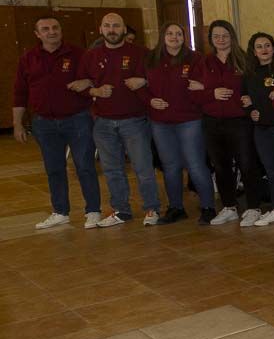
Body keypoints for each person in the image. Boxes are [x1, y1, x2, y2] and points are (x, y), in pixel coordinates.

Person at [13, 15, 102, 229]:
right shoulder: (28, 59)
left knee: (85, 166)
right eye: (45, 29)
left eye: (55, 27)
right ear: (37, 34)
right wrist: (17, 124)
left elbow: (98, 77)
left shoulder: (79, 54)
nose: (51, 31)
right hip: (44, 124)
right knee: (54, 168)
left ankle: (93, 211)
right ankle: (60, 212)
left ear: (61, 30)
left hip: (78, 120)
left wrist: (87, 81)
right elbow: (19, 93)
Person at [81, 13, 161, 227]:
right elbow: (81, 84)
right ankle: (121, 210)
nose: (112, 29)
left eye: (116, 25)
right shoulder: (91, 56)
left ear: (124, 30)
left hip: (134, 121)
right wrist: (94, 90)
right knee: (112, 170)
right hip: (103, 123)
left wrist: (143, 79)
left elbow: (159, 77)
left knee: (143, 168)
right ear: (101, 29)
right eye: (107, 26)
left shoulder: (141, 53)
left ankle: (152, 208)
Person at [194, 20, 263, 227]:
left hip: (239, 121)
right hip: (212, 121)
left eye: (224, 35)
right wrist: (211, 93)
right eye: (216, 36)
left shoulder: (244, 60)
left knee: (247, 164)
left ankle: (253, 207)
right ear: (211, 39)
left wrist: (252, 101)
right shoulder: (204, 63)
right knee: (221, 166)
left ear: (231, 36)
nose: (221, 39)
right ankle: (229, 207)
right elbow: (193, 92)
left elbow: (256, 87)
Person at [145, 22, 215, 225]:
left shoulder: (195, 59)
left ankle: (208, 207)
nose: (174, 37)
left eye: (179, 33)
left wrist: (203, 86)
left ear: (184, 37)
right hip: (160, 122)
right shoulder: (150, 58)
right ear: (162, 36)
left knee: (195, 165)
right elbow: (141, 86)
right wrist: (149, 100)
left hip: (189, 120)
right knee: (170, 166)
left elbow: (206, 84)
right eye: (169, 33)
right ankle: (176, 207)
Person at [243, 32, 274, 228]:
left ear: (273, 48)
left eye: (267, 45)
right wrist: (250, 111)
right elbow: (244, 98)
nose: (264, 49)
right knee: (271, 171)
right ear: (254, 52)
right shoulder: (250, 74)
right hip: (261, 129)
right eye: (259, 47)